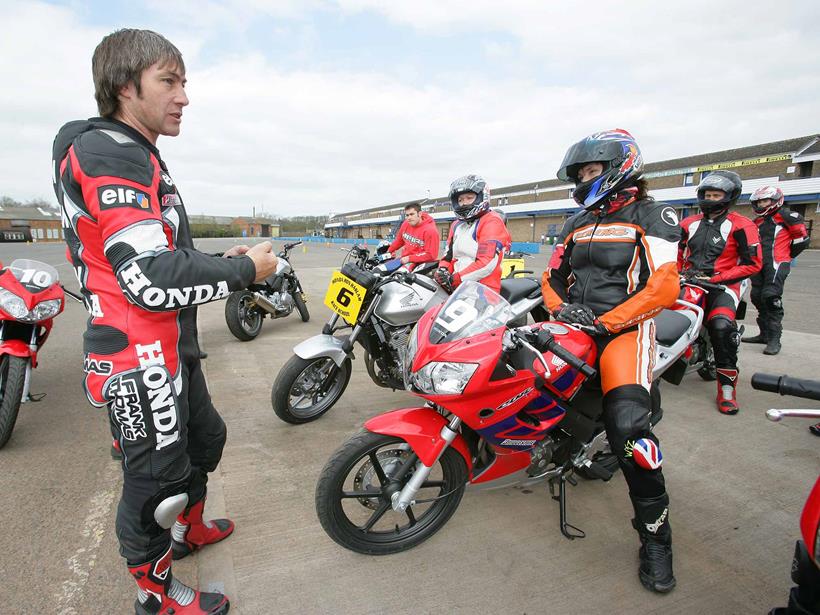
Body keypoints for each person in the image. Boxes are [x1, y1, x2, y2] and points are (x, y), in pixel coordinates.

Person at [51, 29, 278, 615]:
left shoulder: (139, 150)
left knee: (207, 441)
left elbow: (159, 253)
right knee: (156, 485)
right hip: (136, 353)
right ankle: (155, 594)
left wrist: (218, 262)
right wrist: (246, 273)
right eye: (169, 82)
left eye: (185, 83)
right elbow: (147, 277)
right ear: (125, 88)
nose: (183, 97)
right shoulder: (112, 150)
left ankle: (188, 533)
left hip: (170, 345)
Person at [542, 129, 681, 594]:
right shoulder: (575, 221)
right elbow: (552, 277)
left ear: (620, 166)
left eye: (592, 170)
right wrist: (561, 310)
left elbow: (664, 287)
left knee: (629, 432)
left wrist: (608, 323)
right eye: (580, 172)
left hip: (626, 332)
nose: (584, 178)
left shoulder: (652, 214)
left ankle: (656, 539)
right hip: (575, 326)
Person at [679, 171, 762, 415]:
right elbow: (674, 254)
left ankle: (727, 389)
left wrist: (716, 278)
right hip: (687, 281)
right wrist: (675, 274)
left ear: (730, 197)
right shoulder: (687, 223)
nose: (711, 199)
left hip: (724, 285)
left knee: (722, 327)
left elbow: (753, 264)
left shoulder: (743, 225)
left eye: (716, 195)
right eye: (707, 194)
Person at [741, 185, 809, 355]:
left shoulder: (787, 216)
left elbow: (802, 240)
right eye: (759, 202)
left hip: (777, 263)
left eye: (765, 201)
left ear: (775, 200)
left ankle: (774, 340)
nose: (761, 205)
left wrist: (785, 257)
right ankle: (764, 334)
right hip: (759, 265)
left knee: (770, 297)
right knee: (756, 296)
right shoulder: (757, 221)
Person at [433, 175, 511, 293]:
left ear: (482, 196)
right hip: (456, 287)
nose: (464, 203)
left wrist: (455, 279)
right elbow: (448, 257)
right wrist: (442, 271)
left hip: (482, 289)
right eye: (460, 200)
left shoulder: (491, 221)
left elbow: (486, 263)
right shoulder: (456, 225)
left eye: (469, 198)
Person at [382, 202, 440, 269]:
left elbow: (431, 255)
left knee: (396, 278)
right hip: (404, 259)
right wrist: (389, 251)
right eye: (407, 215)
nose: (409, 218)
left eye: (412, 214)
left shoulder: (430, 230)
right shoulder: (406, 223)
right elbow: (399, 240)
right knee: (379, 270)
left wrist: (409, 258)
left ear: (420, 214)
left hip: (419, 263)